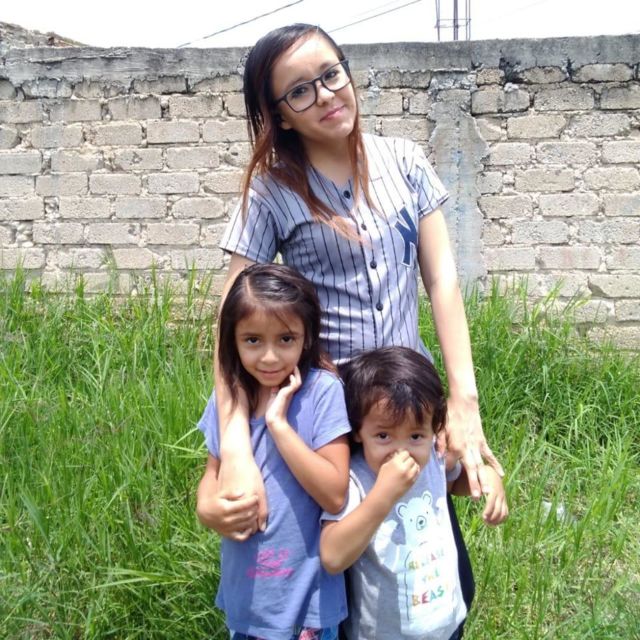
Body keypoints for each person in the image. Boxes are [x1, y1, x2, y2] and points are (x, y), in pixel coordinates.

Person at [214, 22, 504, 538]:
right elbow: (231, 317)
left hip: (408, 403)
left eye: (331, 74)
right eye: (299, 91)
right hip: (329, 413)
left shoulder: (405, 161)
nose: (325, 95)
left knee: (426, 550)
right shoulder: (271, 191)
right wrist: (234, 448)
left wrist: (463, 401)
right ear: (279, 115)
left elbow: (441, 280)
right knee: (338, 556)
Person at [196, 263, 351, 640]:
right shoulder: (230, 400)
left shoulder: (322, 393)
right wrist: (207, 509)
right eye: (252, 340)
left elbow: (335, 494)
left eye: (285, 339)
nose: (269, 357)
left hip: (307, 608)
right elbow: (212, 474)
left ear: (307, 338)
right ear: (232, 340)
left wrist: (279, 426)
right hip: (247, 602)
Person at [320, 347, 508, 640]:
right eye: (383, 436)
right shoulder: (356, 479)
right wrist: (383, 495)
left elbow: (453, 482)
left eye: (416, 436)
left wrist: (488, 478)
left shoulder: (431, 459)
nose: (401, 450)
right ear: (358, 431)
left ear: (435, 430)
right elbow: (332, 556)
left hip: (446, 625)